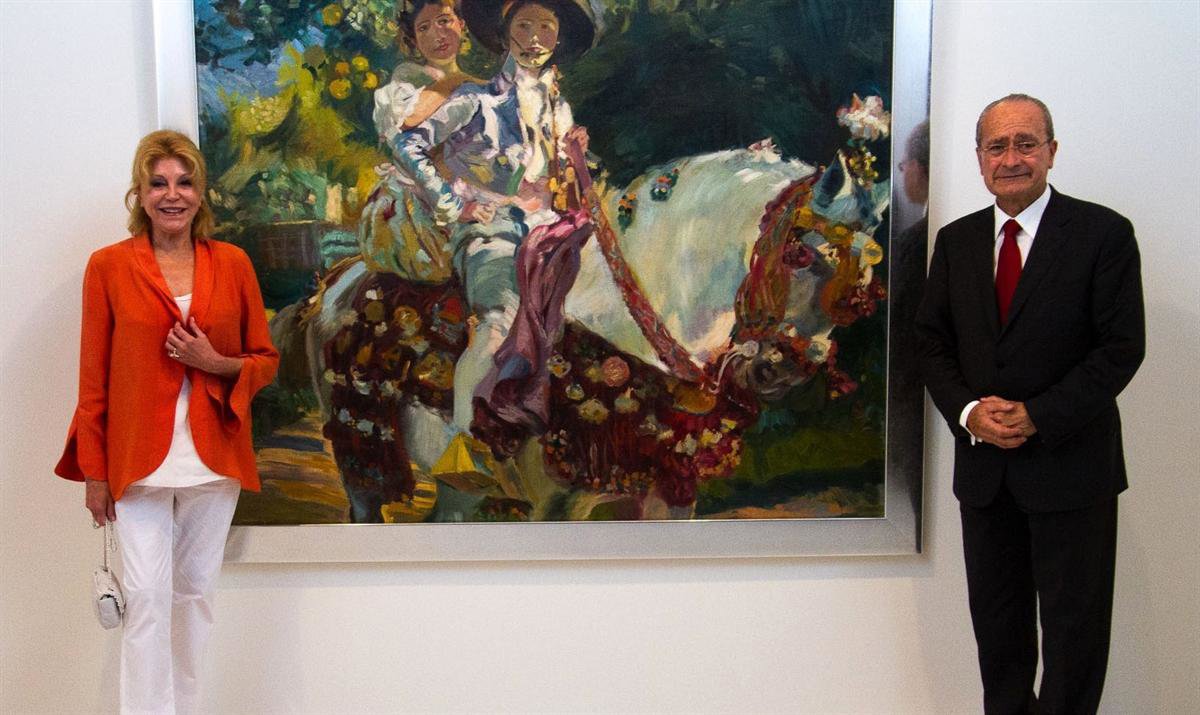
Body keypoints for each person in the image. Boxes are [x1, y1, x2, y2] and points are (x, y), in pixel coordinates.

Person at [916, 95, 1144, 713]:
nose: (1011, 158)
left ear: (1051, 151)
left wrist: (1038, 414)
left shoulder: (1103, 235)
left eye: (1025, 143)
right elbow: (931, 344)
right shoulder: (957, 242)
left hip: (1074, 471)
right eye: (997, 146)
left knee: (1074, 641)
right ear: (979, 159)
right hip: (986, 477)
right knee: (1000, 640)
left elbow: (1120, 349)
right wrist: (969, 413)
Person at [55, 130, 279, 714]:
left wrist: (214, 362)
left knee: (196, 597)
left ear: (201, 193)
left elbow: (265, 361)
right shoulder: (107, 266)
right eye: (158, 183)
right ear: (140, 193)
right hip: (136, 460)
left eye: (184, 182)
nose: (172, 194)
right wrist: (94, 472)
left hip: (213, 458)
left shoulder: (232, 264)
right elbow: (93, 379)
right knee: (147, 600)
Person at [392, 0, 595, 439]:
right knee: (499, 319)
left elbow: (558, 182)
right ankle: (464, 439)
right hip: (493, 229)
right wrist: (453, 204)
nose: (535, 38)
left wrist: (575, 157)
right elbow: (407, 144)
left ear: (559, 37)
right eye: (524, 25)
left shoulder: (560, 108)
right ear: (505, 34)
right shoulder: (476, 99)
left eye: (546, 26)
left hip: (551, 231)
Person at [358, 0, 480, 281]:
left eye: (444, 21)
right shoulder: (409, 78)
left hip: (471, 190)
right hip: (417, 203)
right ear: (413, 39)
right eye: (424, 28)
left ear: (461, 25)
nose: (437, 35)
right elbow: (408, 120)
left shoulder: (480, 86)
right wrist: (456, 80)